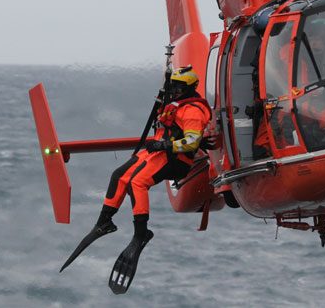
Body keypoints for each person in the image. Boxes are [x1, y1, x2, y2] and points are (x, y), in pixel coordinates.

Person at [60, 66, 212, 276]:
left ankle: (141, 233)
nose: (174, 91)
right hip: (157, 152)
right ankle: (104, 222)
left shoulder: (193, 110)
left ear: (188, 88)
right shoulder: (175, 105)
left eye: (178, 88)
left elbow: (192, 143)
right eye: (173, 87)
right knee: (119, 176)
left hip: (174, 159)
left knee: (137, 182)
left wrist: (165, 146)